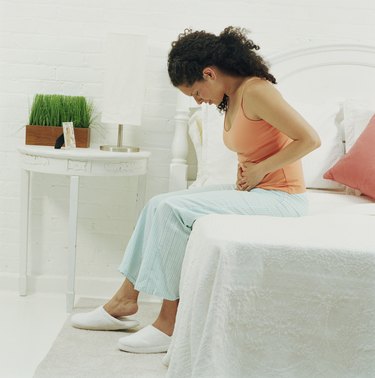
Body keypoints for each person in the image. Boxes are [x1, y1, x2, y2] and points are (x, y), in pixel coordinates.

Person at [71, 26, 321, 354]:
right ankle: (123, 301)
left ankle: (168, 323)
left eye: (196, 92)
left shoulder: (258, 91)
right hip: (256, 193)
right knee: (157, 204)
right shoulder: (233, 98)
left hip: (283, 199)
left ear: (209, 73)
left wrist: (262, 169)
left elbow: (310, 139)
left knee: (172, 212)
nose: (199, 100)